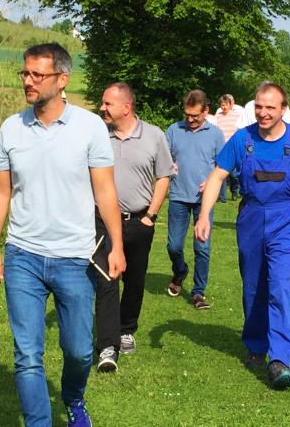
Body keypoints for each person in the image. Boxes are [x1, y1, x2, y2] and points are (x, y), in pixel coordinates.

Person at [0, 43, 126, 427]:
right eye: (24, 74)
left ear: (61, 80)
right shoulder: (12, 128)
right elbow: (0, 190)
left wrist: (115, 244)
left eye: (36, 75)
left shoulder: (90, 127)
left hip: (75, 256)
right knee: (27, 355)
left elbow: (105, 191)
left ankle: (74, 399)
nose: (27, 81)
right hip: (22, 255)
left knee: (79, 351)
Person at [193, 82, 290, 390]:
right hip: (252, 217)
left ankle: (279, 359)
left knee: (280, 285)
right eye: (259, 107)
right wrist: (203, 216)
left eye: (271, 107)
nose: (264, 113)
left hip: (287, 218)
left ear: (283, 110)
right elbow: (217, 176)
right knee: (253, 285)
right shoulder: (243, 139)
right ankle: (255, 344)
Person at [93, 82, 175, 373]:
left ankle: (126, 327)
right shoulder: (98, 136)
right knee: (106, 280)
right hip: (102, 221)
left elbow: (164, 176)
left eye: (107, 104)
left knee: (135, 279)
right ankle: (107, 345)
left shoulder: (154, 136)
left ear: (126, 107)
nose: (102, 108)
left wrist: (151, 215)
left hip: (138, 221)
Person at [165, 89, 226, 310]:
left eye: (195, 116)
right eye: (187, 115)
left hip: (204, 199)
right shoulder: (173, 130)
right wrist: (168, 164)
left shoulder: (216, 134)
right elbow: (162, 157)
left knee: (202, 247)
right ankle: (180, 270)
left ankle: (198, 292)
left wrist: (211, 180)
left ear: (206, 111)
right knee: (174, 246)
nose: (190, 120)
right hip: (178, 196)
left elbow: (224, 165)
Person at [215, 94, 244, 200]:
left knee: (234, 174)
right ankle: (222, 195)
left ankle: (235, 191)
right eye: (222, 105)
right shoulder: (217, 116)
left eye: (225, 105)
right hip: (222, 147)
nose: (224, 107)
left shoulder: (237, 116)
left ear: (230, 104)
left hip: (234, 146)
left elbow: (240, 130)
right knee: (222, 171)